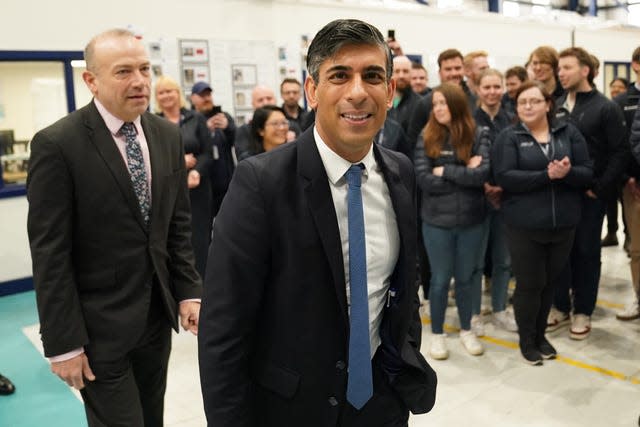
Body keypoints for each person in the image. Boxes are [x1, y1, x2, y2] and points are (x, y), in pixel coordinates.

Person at [198, 18, 436, 426]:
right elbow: (223, 328)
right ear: (312, 90)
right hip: (293, 409)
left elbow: (402, 280)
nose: (358, 93)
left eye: (373, 76)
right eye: (339, 76)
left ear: (391, 91)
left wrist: (405, 348)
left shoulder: (400, 172)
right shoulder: (261, 182)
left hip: (382, 403)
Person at [26, 29, 202, 427]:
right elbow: (50, 251)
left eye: (145, 69)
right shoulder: (58, 145)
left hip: (155, 320)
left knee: (151, 418)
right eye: (123, 71)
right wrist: (62, 343)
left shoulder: (165, 135)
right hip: (97, 329)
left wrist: (188, 291)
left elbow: (176, 225)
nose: (140, 81)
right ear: (91, 80)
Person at [492, 81, 593, 365]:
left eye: (535, 101)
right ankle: (527, 340)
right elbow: (505, 177)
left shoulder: (568, 132)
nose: (528, 106)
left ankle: (540, 335)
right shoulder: (509, 137)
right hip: (524, 225)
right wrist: (546, 176)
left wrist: (567, 173)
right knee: (529, 284)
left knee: (550, 283)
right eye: (523, 101)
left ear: (548, 104)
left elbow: (587, 172)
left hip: (563, 224)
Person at [549, 47, 627, 340]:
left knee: (586, 253)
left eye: (567, 67)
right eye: (559, 68)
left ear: (585, 70)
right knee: (560, 253)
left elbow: (619, 153)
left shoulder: (605, 107)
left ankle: (583, 310)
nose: (561, 73)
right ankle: (560, 306)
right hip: (560, 195)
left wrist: (600, 188)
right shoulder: (557, 104)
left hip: (590, 195)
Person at [414, 83, 490, 360]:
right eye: (435, 104)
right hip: (436, 221)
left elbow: (481, 175)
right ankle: (437, 335)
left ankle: (467, 329)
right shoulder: (426, 136)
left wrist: (445, 169)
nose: (438, 109)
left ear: (456, 105)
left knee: (468, 279)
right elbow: (424, 180)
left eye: (443, 104)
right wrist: (462, 174)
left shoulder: (479, 134)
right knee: (440, 281)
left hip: (472, 219)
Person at [470, 69, 517, 336]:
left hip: (505, 200)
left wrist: (503, 186)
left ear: (502, 88)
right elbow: (466, 158)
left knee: (503, 260)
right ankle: (474, 314)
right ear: (478, 89)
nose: (491, 92)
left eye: (496, 86)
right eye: (486, 87)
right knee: (475, 263)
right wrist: (484, 185)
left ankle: (499, 309)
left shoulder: (511, 119)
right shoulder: (468, 120)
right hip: (477, 200)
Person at [155, 75, 213, 279]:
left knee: (200, 239)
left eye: (170, 91)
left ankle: (203, 286)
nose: (167, 96)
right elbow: (153, 156)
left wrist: (197, 171)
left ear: (178, 94)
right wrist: (180, 162)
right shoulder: (154, 122)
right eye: (161, 92)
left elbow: (208, 152)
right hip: (170, 189)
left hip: (198, 189)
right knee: (176, 239)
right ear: (156, 98)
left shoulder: (195, 118)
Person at [615, 47, 640, 321]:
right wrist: (628, 178)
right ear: (635, 65)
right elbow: (621, 145)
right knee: (637, 248)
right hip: (634, 186)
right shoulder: (622, 101)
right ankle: (638, 296)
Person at [190, 81, 236, 217]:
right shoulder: (190, 120)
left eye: (208, 94)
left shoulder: (224, 116)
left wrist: (228, 127)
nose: (207, 98)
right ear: (192, 98)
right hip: (203, 184)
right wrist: (204, 129)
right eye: (202, 95)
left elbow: (235, 140)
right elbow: (189, 145)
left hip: (226, 184)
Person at [388, 55, 420, 133]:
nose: (401, 76)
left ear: (411, 74)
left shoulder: (420, 104)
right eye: (397, 71)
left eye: (405, 71)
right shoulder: (381, 101)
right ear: (390, 73)